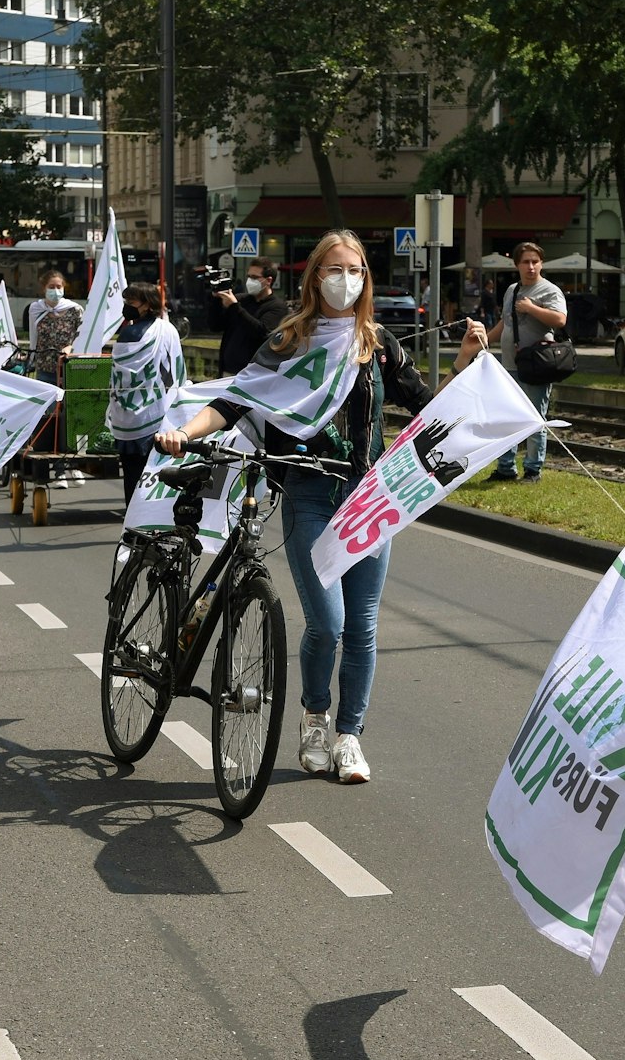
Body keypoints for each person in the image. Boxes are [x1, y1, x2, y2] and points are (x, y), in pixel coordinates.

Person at [154, 230, 489, 785]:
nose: (346, 279)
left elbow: (430, 410)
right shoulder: (288, 341)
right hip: (309, 494)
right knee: (327, 625)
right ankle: (314, 717)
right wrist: (183, 434)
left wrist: (464, 362)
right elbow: (234, 401)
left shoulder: (378, 344)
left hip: (369, 498)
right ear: (314, 278)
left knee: (362, 629)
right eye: (335, 268)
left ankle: (349, 737)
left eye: (355, 269)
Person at [486, 243, 566, 482]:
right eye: (526, 262)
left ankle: (533, 470)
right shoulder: (512, 289)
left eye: (535, 261)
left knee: (534, 419)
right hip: (510, 364)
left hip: (536, 365)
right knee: (506, 417)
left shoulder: (549, 290)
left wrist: (532, 308)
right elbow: (505, 324)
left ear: (541, 263)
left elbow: (560, 319)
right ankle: (505, 468)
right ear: (517, 265)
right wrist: (483, 341)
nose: (531, 267)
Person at [107, 282, 183, 507]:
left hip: (128, 417)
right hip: (158, 412)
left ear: (148, 305)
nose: (127, 307)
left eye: (131, 302)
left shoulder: (127, 333)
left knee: (132, 474)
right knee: (160, 471)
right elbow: (174, 370)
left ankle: (133, 516)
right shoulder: (167, 330)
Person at [212, 256, 289, 376]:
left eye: (254, 277)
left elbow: (261, 333)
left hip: (253, 375)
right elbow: (215, 326)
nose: (250, 281)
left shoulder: (278, 307)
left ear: (268, 280)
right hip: (227, 371)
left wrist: (234, 307)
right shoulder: (241, 300)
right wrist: (216, 300)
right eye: (248, 276)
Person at [23, 270, 83, 384]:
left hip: (68, 367)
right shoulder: (35, 309)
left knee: (66, 401)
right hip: (44, 367)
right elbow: (33, 335)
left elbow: (82, 336)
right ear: (44, 288)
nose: (55, 290)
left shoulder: (75, 310)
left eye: (59, 287)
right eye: (51, 287)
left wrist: (70, 347)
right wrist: (30, 358)